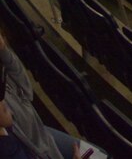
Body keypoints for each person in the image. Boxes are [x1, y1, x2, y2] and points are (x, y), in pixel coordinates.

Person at [2, 30, 83, 159]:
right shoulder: (10, 150)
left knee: (99, 153)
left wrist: (4, 52)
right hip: (35, 148)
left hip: (40, 134)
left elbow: (26, 91)